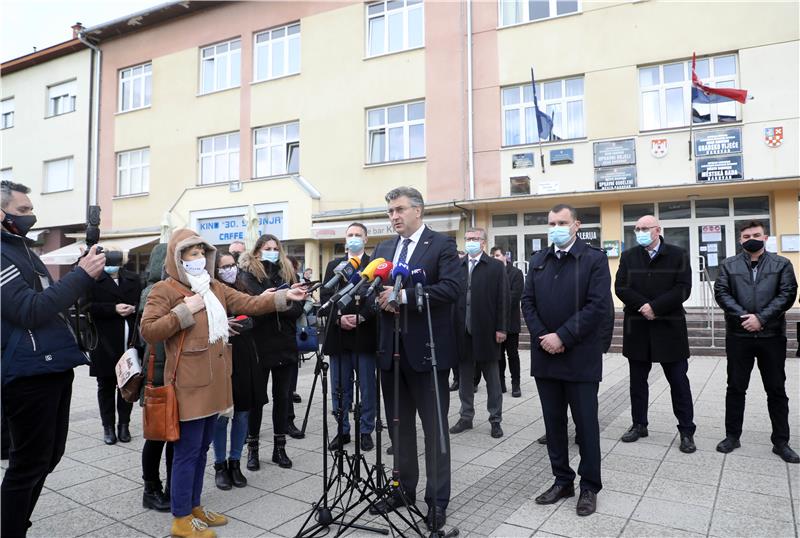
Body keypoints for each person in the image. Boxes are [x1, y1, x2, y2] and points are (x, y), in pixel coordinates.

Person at [141, 228, 305, 537]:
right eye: (192, 254)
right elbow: (149, 331)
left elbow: (250, 302)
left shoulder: (213, 286)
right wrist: (181, 312)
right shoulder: (165, 289)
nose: (199, 258)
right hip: (188, 383)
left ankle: (193, 507)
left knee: (202, 449)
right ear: (178, 258)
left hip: (216, 380)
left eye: (202, 253)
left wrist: (285, 296)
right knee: (188, 451)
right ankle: (180, 518)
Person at [1, 180, 106, 537]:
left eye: (31, 209)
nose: (31, 216)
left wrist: (82, 274)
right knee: (28, 465)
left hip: (53, 364)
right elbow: (29, 310)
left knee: (49, 457)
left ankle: (16, 523)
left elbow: (50, 298)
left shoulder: (23, 249)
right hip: (28, 371)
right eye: (23, 210)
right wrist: (80, 276)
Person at [370, 186, 462, 532]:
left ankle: (437, 501)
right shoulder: (382, 249)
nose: (394, 216)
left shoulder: (441, 245)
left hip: (428, 355)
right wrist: (370, 303)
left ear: (418, 211)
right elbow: (371, 292)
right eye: (390, 211)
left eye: (399, 210)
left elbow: (451, 289)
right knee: (399, 429)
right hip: (390, 355)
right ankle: (403, 490)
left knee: (434, 431)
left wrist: (404, 296)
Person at [520, 204, 612, 517]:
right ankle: (562, 480)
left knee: (586, 424)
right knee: (553, 424)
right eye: (551, 223)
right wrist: (543, 336)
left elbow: (598, 306)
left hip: (580, 357)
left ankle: (589, 486)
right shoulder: (539, 260)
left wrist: (563, 336)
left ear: (576, 225)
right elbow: (527, 302)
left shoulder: (594, 259)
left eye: (562, 222)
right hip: (545, 356)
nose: (556, 227)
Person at [714, 220, 799, 463]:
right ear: (740, 240)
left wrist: (761, 319)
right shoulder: (728, 265)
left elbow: (788, 293)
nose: (752, 238)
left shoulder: (781, 263)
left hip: (771, 336)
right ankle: (732, 436)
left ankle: (781, 441)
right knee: (735, 388)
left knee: (776, 389)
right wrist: (745, 318)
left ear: (765, 237)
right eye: (747, 235)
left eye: (757, 234)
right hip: (739, 336)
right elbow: (721, 293)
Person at [614, 215, 696, 453]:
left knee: (679, 382)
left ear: (658, 230)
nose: (639, 231)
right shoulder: (629, 256)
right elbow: (621, 287)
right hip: (638, 327)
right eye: (636, 228)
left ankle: (686, 430)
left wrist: (656, 307)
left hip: (669, 327)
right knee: (637, 382)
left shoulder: (677, 254)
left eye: (644, 228)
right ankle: (639, 424)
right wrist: (643, 306)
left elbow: (683, 288)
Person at [239, 235, 305, 471]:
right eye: (267, 248)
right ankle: (252, 449)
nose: (272, 252)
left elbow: (297, 308)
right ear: (257, 252)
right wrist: (280, 299)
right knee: (257, 400)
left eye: (276, 248)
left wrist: (275, 301)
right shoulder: (247, 274)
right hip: (258, 344)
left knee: (283, 398)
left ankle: (280, 448)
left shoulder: (288, 272)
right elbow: (255, 307)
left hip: (285, 344)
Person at [320, 222, 378, 451]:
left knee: (367, 387)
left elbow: (376, 298)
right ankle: (342, 430)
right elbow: (325, 296)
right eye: (350, 235)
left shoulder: (373, 265)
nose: (353, 238)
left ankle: (365, 430)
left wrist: (361, 317)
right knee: (339, 387)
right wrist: (337, 319)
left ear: (365, 239)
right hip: (339, 336)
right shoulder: (335, 265)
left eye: (358, 235)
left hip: (364, 336)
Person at [211, 253, 267, 491]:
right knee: (222, 415)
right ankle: (220, 465)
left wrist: (247, 321)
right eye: (223, 267)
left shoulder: (243, 286)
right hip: (221, 357)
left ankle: (236, 462)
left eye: (232, 265)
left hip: (245, 356)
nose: (229, 270)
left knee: (243, 412)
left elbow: (257, 314)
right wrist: (224, 325)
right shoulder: (210, 292)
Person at [450, 228, 508, 439]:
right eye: (467, 239)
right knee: (465, 378)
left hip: (487, 331)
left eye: (475, 239)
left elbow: (503, 298)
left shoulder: (494, 266)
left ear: (483, 243)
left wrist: (501, 328)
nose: (471, 242)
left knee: (492, 379)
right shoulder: (457, 266)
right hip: (462, 330)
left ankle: (495, 420)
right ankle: (466, 417)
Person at [87, 251, 142, 445]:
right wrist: (113, 309)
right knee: (106, 386)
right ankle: (108, 427)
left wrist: (134, 308)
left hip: (129, 340)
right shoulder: (94, 280)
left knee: (127, 384)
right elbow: (87, 306)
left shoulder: (133, 279)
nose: (111, 268)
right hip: (104, 341)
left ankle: (124, 425)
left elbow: (143, 303)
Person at [138, 242, 172, 512]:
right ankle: (151, 488)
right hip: (158, 373)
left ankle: (174, 485)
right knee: (158, 436)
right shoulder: (153, 291)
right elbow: (147, 335)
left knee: (174, 435)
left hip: (174, 373)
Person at [491, 246, 524, 397]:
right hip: (496, 322)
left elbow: (515, 296)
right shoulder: (492, 273)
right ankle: (500, 383)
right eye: (493, 256)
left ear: (505, 256)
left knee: (513, 354)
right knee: (499, 356)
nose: (495, 258)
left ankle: (515, 384)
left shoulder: (516, 273)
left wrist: (497, 300)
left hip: (511, 322)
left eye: (498, 255)